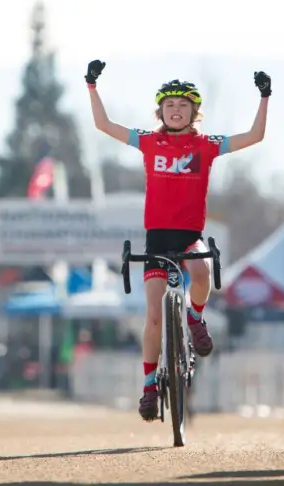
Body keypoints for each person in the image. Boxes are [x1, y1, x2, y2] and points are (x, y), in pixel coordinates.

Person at [85, 59, 271, 421]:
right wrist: (92, 86)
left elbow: (255, 137)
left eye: (182, 105)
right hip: (156, 240)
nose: (175, 110)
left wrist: (265, 97)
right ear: (160, 111)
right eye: (169, 105)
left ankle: (195, 319)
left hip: (189, 236)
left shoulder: (207, 145)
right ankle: (150, 387)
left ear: (194, 112)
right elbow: (103, 125)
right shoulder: (149, 142)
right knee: (153, 317)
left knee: (201, 271)